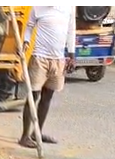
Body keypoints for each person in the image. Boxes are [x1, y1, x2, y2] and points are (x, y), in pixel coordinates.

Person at [18, 6, 76, 149]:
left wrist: (72, 54)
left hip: (58, 60)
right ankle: (24, 136)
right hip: (39, 58)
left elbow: (71, 31)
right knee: (33, 96)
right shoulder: (37, 7)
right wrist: (25, 42)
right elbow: (29, 26)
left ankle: (37, 133)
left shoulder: (69, 7)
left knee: (47, 96)